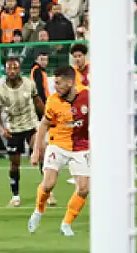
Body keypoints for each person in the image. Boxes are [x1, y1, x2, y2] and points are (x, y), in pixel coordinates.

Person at [28, 66, 90, 236]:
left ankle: (66, 224)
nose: (55, 86)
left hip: (81, 145)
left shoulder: (87, 96)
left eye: (58, 83)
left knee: (84, 188)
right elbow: (44, 125)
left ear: (70, 83)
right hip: (58, 144)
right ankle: (38, 211)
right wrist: (36, 150)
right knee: (48, 184)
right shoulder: (53, 101)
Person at [0, 56, 44, 208]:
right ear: (6, 70)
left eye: (15, 68)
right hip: (14, 129)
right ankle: (15, 196)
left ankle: (47, 192)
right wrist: (2, 129)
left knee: (40, 153)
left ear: (19, 69)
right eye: (9, 68)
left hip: (31, 125)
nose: (12, 71)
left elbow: (38, 102)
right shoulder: (1, 91)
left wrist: (47, 119)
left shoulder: (29, 84)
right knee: (14, 164)